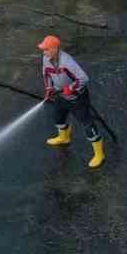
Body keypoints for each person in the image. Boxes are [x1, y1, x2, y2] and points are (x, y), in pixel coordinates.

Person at [39, 34, 104, 169]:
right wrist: (49, 88)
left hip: (77, 98)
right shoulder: (46, 58)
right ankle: (64, 138)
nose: (43, 52)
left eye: (46, 49)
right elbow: (46, 74)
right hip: (60, 95)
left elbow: (83, 79)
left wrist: (70, 88)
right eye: (43, 49)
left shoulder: (67, 62)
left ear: (55, 49)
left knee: (87, 125)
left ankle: (99, 154)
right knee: (58, 118)